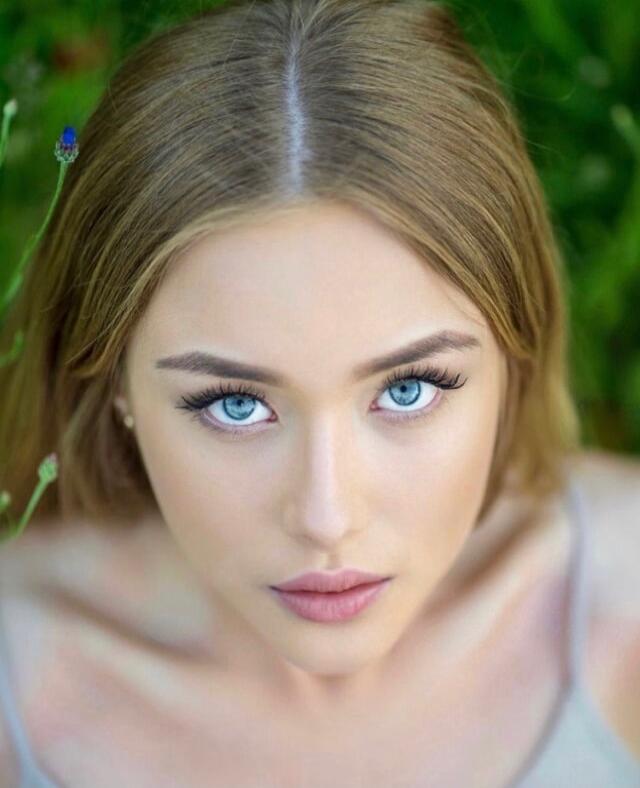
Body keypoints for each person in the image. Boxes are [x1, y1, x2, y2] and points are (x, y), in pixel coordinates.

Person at [0, 0, 639, 785]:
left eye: (409, 388)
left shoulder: (624, 594)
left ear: (516, 354)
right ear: (117, 382)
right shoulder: (17, 680)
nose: (327, 517)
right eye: (236, 404)